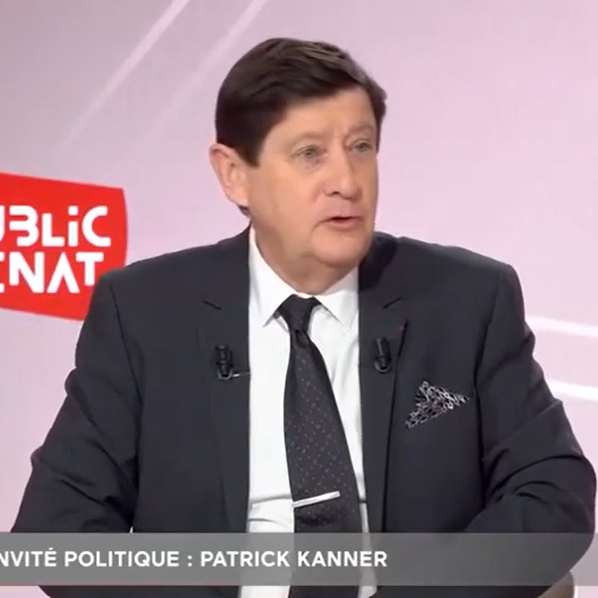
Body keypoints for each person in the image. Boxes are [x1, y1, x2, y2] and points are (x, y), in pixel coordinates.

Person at [12, 37, 596, 598]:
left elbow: (555, 492)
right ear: (233, 173)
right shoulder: (144, 313)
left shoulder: (466, 300)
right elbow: (58, 528)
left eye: (361, 147)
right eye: (310, 153)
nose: (346, 181)